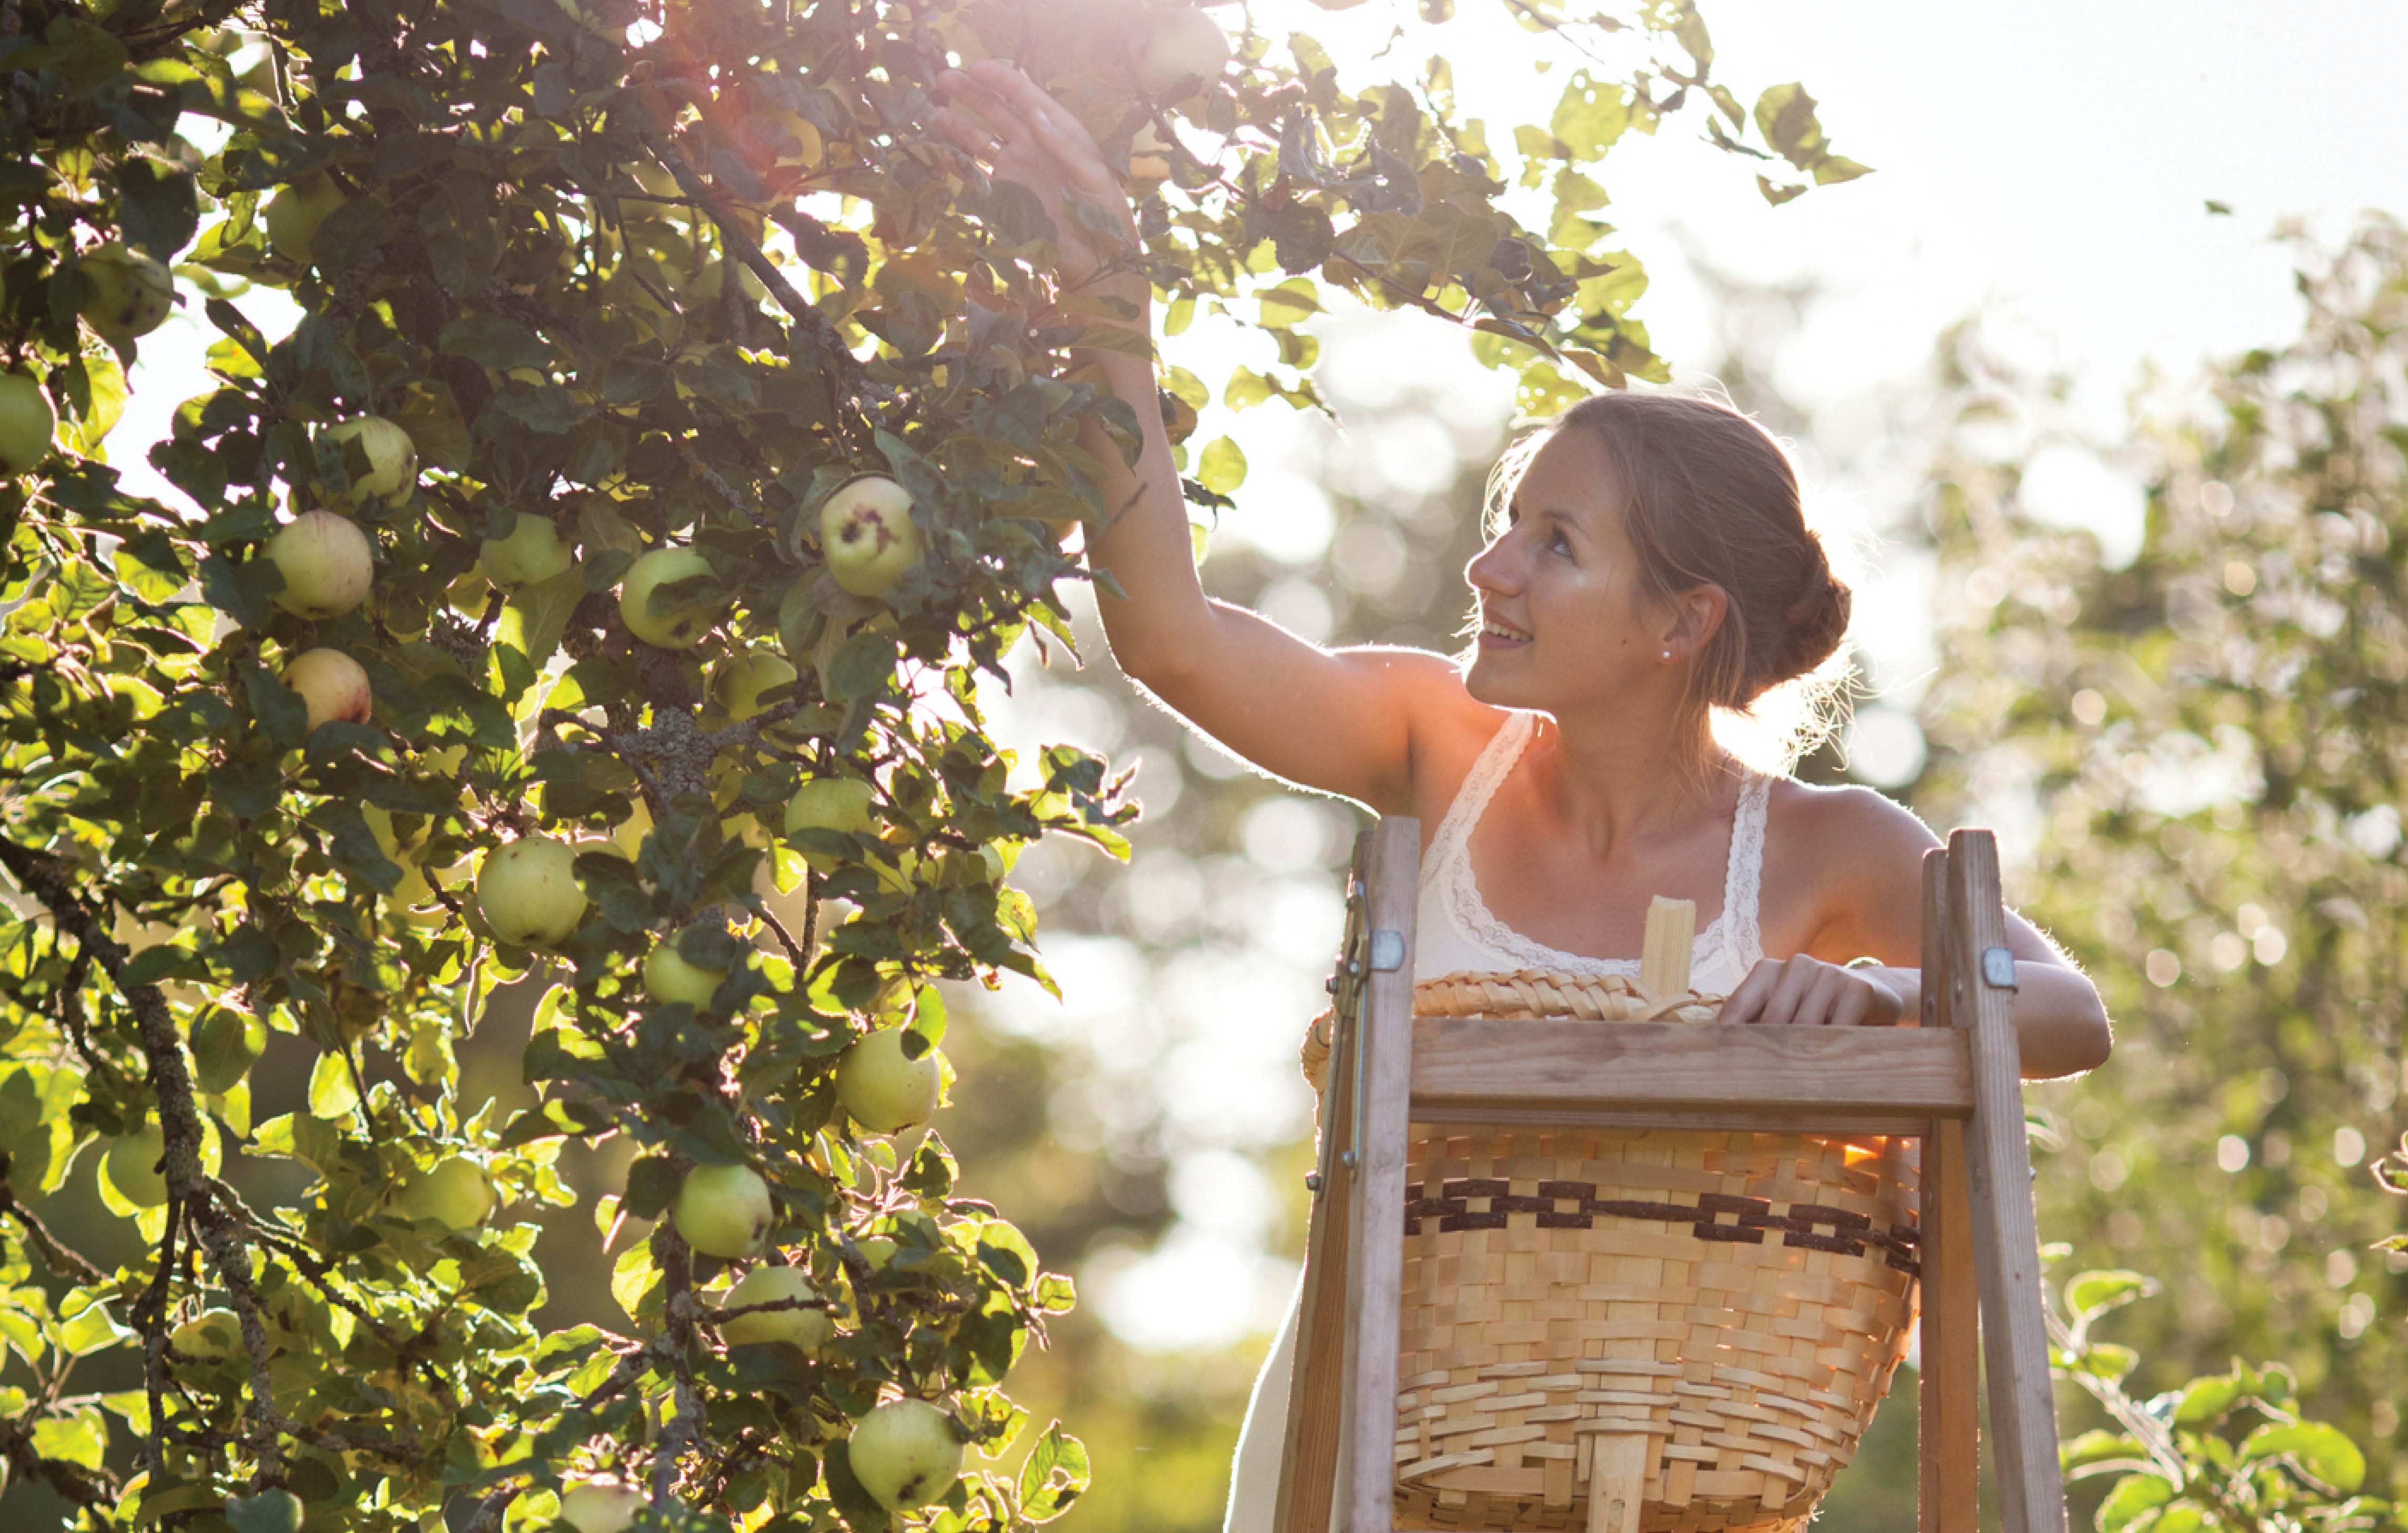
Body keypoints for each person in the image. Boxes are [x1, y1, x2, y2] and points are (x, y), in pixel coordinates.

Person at [933, 59, 2115, 1533]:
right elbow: (1167, 632)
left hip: (1682, 1485)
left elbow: (2069, 1014)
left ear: (1682, 623)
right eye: (1509, 526)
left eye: (1554, 544)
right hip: (1378, 1455)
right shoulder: (1437, 744)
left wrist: (1892, 1009)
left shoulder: (1821, 847)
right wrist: (1107, 296)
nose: (1490, 571)